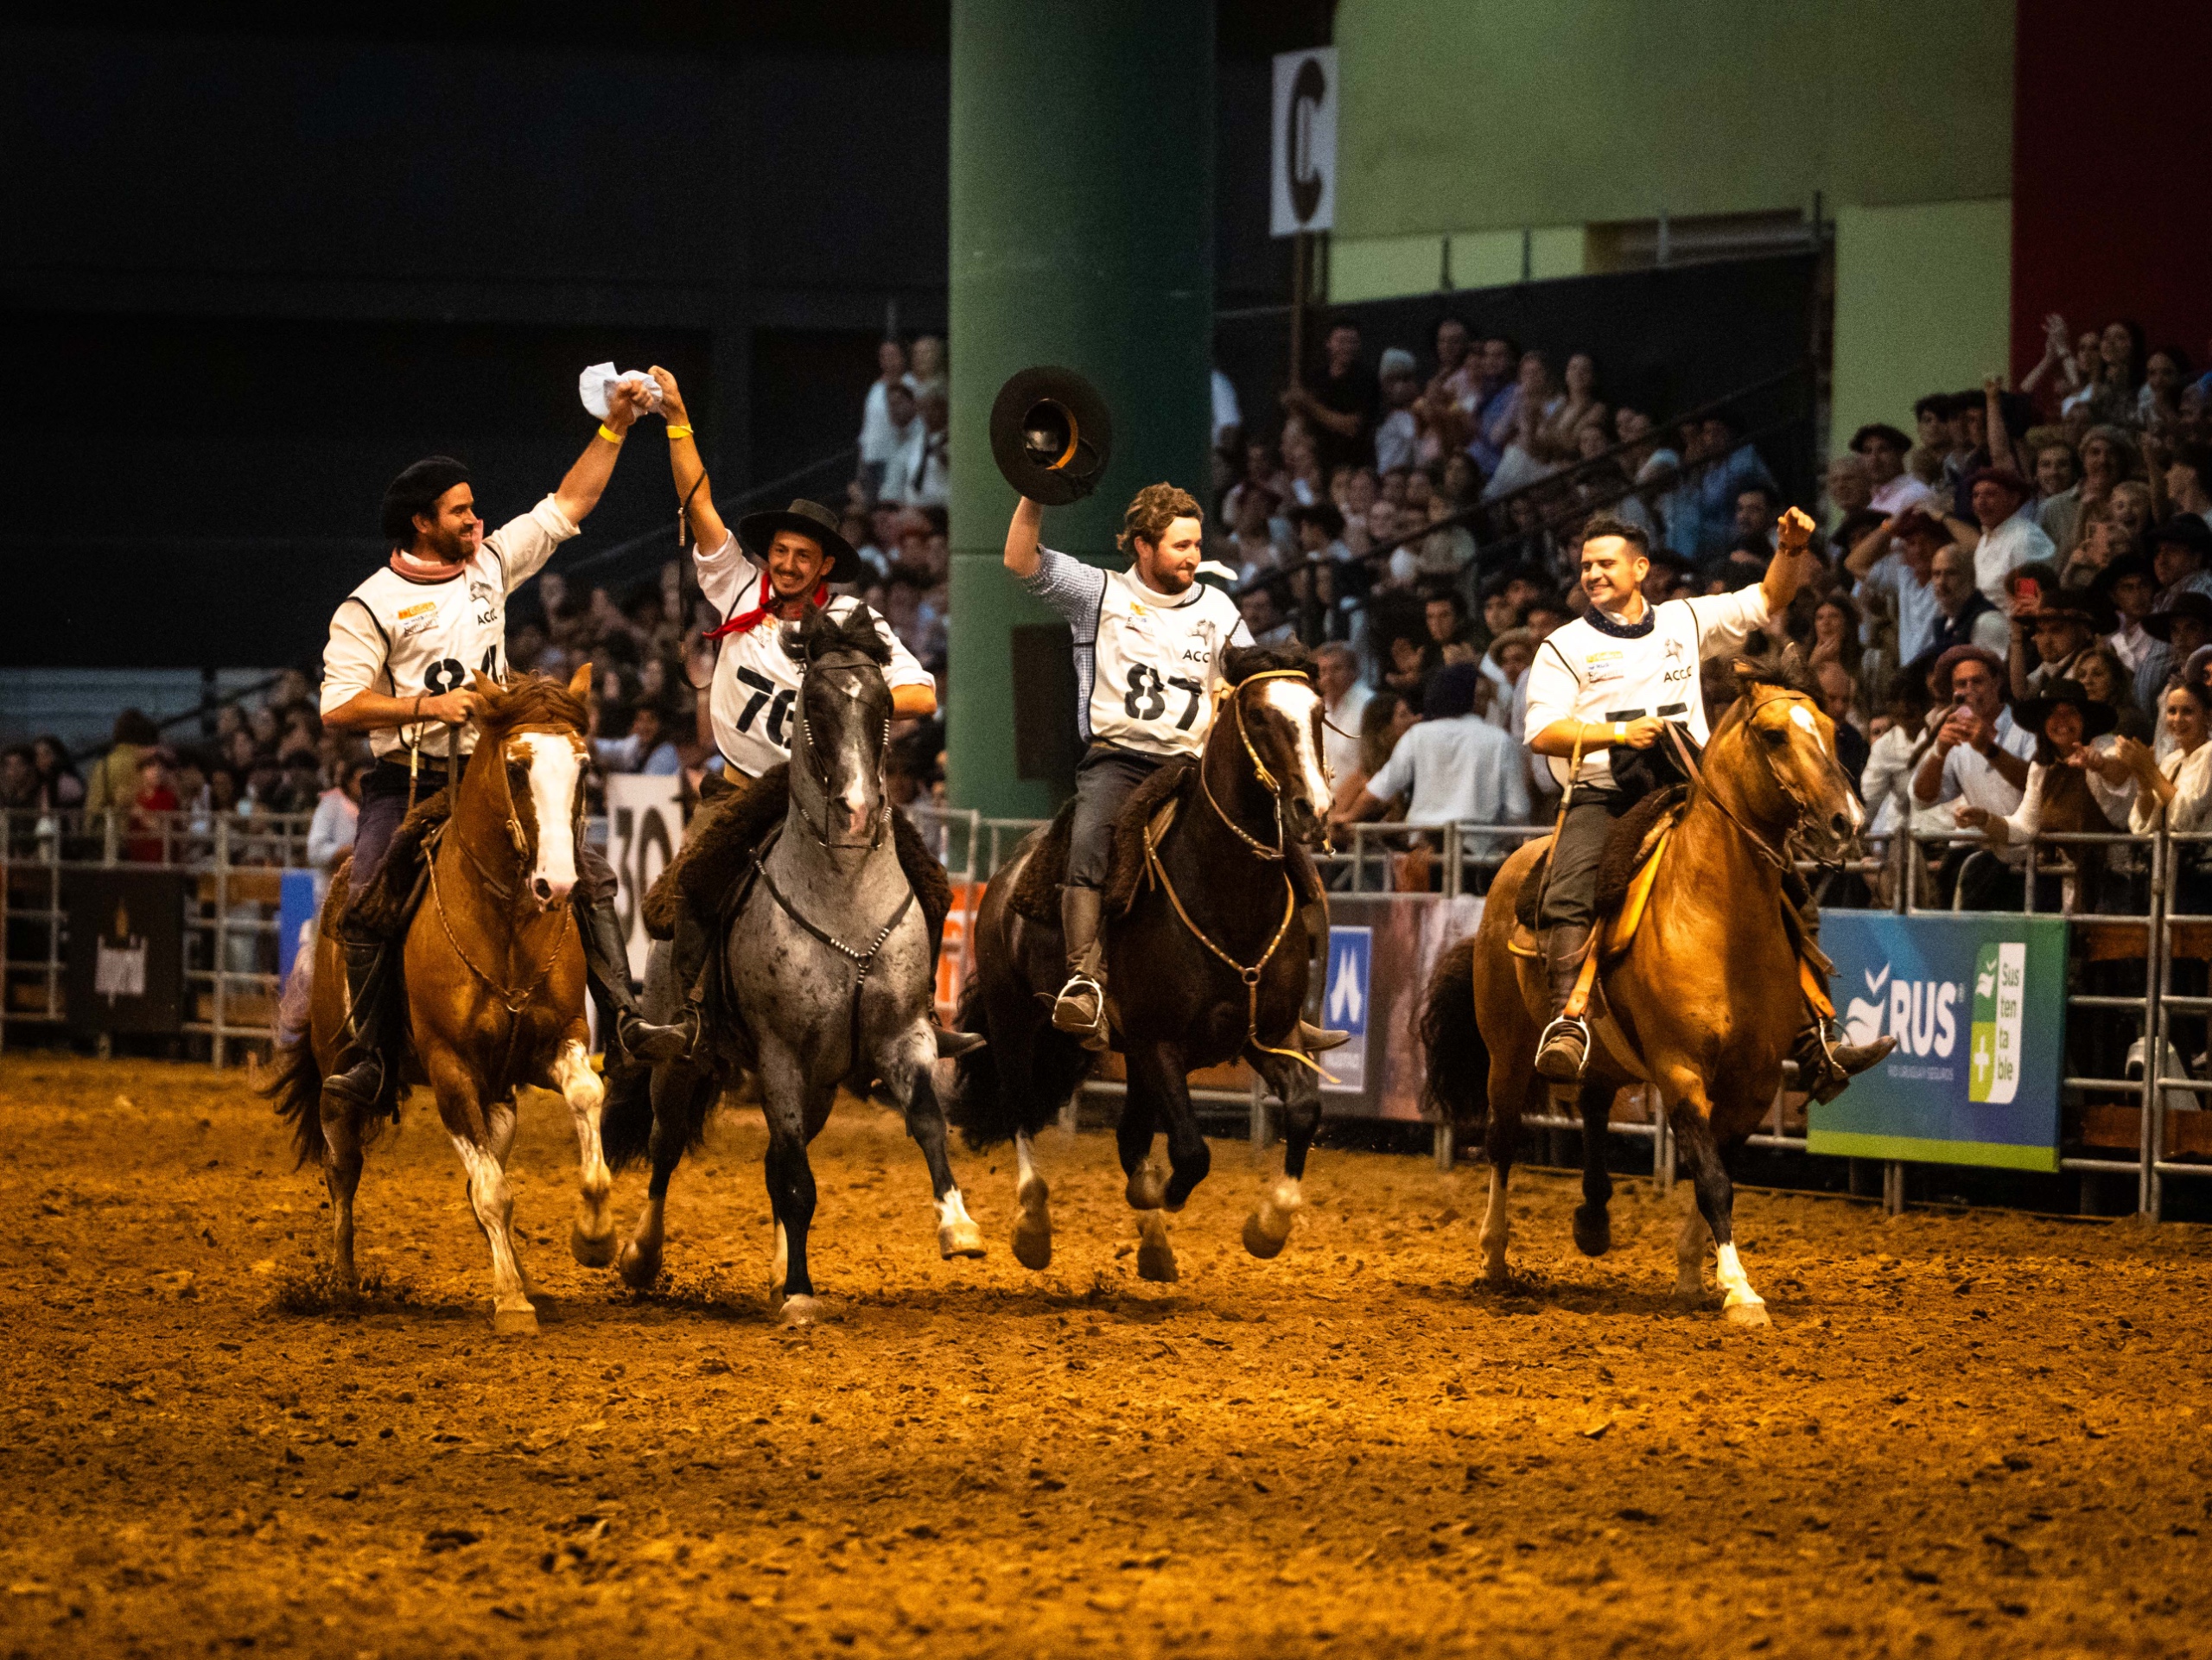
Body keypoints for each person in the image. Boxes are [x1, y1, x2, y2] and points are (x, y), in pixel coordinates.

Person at [316, 375, 685, 1116]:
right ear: (422, 523)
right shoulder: (369, 605)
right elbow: (337, 706)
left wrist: (614, 428)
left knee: (588, 874)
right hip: (407, 778)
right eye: (460, 511)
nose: (475, 518)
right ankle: (368, 1053)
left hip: (491, 775)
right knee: (364, 899)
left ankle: (625, 1017)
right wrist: (425, 703)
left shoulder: (489, 563)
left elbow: (566, 505)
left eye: (474, 507)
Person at [1520, 508, 1888, 1093]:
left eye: (1606, 563)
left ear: (1640, 568)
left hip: (1690, 789)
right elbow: (1543, 733)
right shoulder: (1563, 646)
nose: (1593, 573)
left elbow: (1768, 598)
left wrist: (1789, 550)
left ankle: (1818, 1035)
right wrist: (1618, 733)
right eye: (1586, 564)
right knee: (1569, 889)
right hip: (1603, 791)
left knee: (1789, 889)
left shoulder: (1685, 620)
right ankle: (1568, 1022)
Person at [648, 368, 943, 1042]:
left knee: (928, 878)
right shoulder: (736, 588)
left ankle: (916, 1015)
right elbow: (699, 505)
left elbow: (924, 692)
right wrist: (678, 417)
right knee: (690, 888)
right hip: (743, 790)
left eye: (800, 556)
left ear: (822, 567)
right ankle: (686, 1015)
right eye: (778, 551)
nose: (784, 563)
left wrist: (858, 700)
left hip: (829, 803)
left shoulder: (854, 620)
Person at [1003, 480, 1344, 1053]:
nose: (1193, 556)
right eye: (1181, 545)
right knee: (1090, 841)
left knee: (1292, 857)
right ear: (1142, 545)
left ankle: (1289, 1010)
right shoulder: (1099, 594)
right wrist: (1032, 490)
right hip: (1122, 762)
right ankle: (1086, 982)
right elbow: (1020, 558)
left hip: (1196, 764)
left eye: (1196, 544)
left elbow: (1253, 674)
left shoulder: (1218, 606)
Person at [1330, 662, 1529, 866]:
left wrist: (1348, 817)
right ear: (1470, 698)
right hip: (1481, 855)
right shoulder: (1499, 740)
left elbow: (1380, 789)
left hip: (1424, 853)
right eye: (1482, 697)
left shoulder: (1418, 736)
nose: (1486, 704)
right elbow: (1518, 809)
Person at [1281, 320, 1380, 476]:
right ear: (1329, 343)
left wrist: (1309, 404)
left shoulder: (1366, 380)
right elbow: (1300, 415)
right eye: (1341, 341)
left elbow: (1352, 427)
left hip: (1352, 465)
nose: (1347, 347)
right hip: (1316, 464)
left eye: (1352, 342)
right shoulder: (1316, 378)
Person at [856, 339, 912, 502]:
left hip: (894, 460)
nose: (888, 360)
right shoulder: (875, 388)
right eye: (884, 356)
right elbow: (867, 430)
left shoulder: (910, 385)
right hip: (871, 459)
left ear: (903, 358)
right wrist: (860, 470)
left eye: (893, 355)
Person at [306, 759, 364, 908]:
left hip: (363, 896)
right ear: (350, 782)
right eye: (361, 782)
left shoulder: (375, 809)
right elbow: (315, 850)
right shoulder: (331, 804)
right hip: (331, 893)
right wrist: (344, 852)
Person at [1313, 641, 1370, 786]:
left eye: (1336, 669)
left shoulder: (1368, 705)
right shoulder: (1317, 709)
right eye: (1323, 671)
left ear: (1355, 671)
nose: (1328, 678)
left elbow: (1369, 769)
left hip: (1356, 801)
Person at [1850, 423, 1931, 515]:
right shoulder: (1875, 501)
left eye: (1883, 450)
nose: (1874, 458)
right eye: (1868, 451)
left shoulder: (1914, 493)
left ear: (1900, 453)